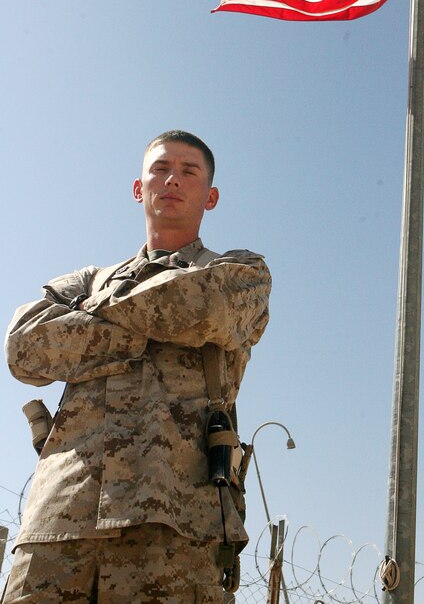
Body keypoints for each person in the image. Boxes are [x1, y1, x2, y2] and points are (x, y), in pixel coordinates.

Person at [3, 130, 271, 603]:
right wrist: (151, 317)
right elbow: (26, 349)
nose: (172, 179)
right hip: (60, 521)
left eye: (189, 172)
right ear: (138, 188)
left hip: (178, 521)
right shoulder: (88, 278)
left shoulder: (239, 273)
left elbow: (202, 308)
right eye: (160, 169)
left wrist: (89, 314)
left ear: (210, 197)